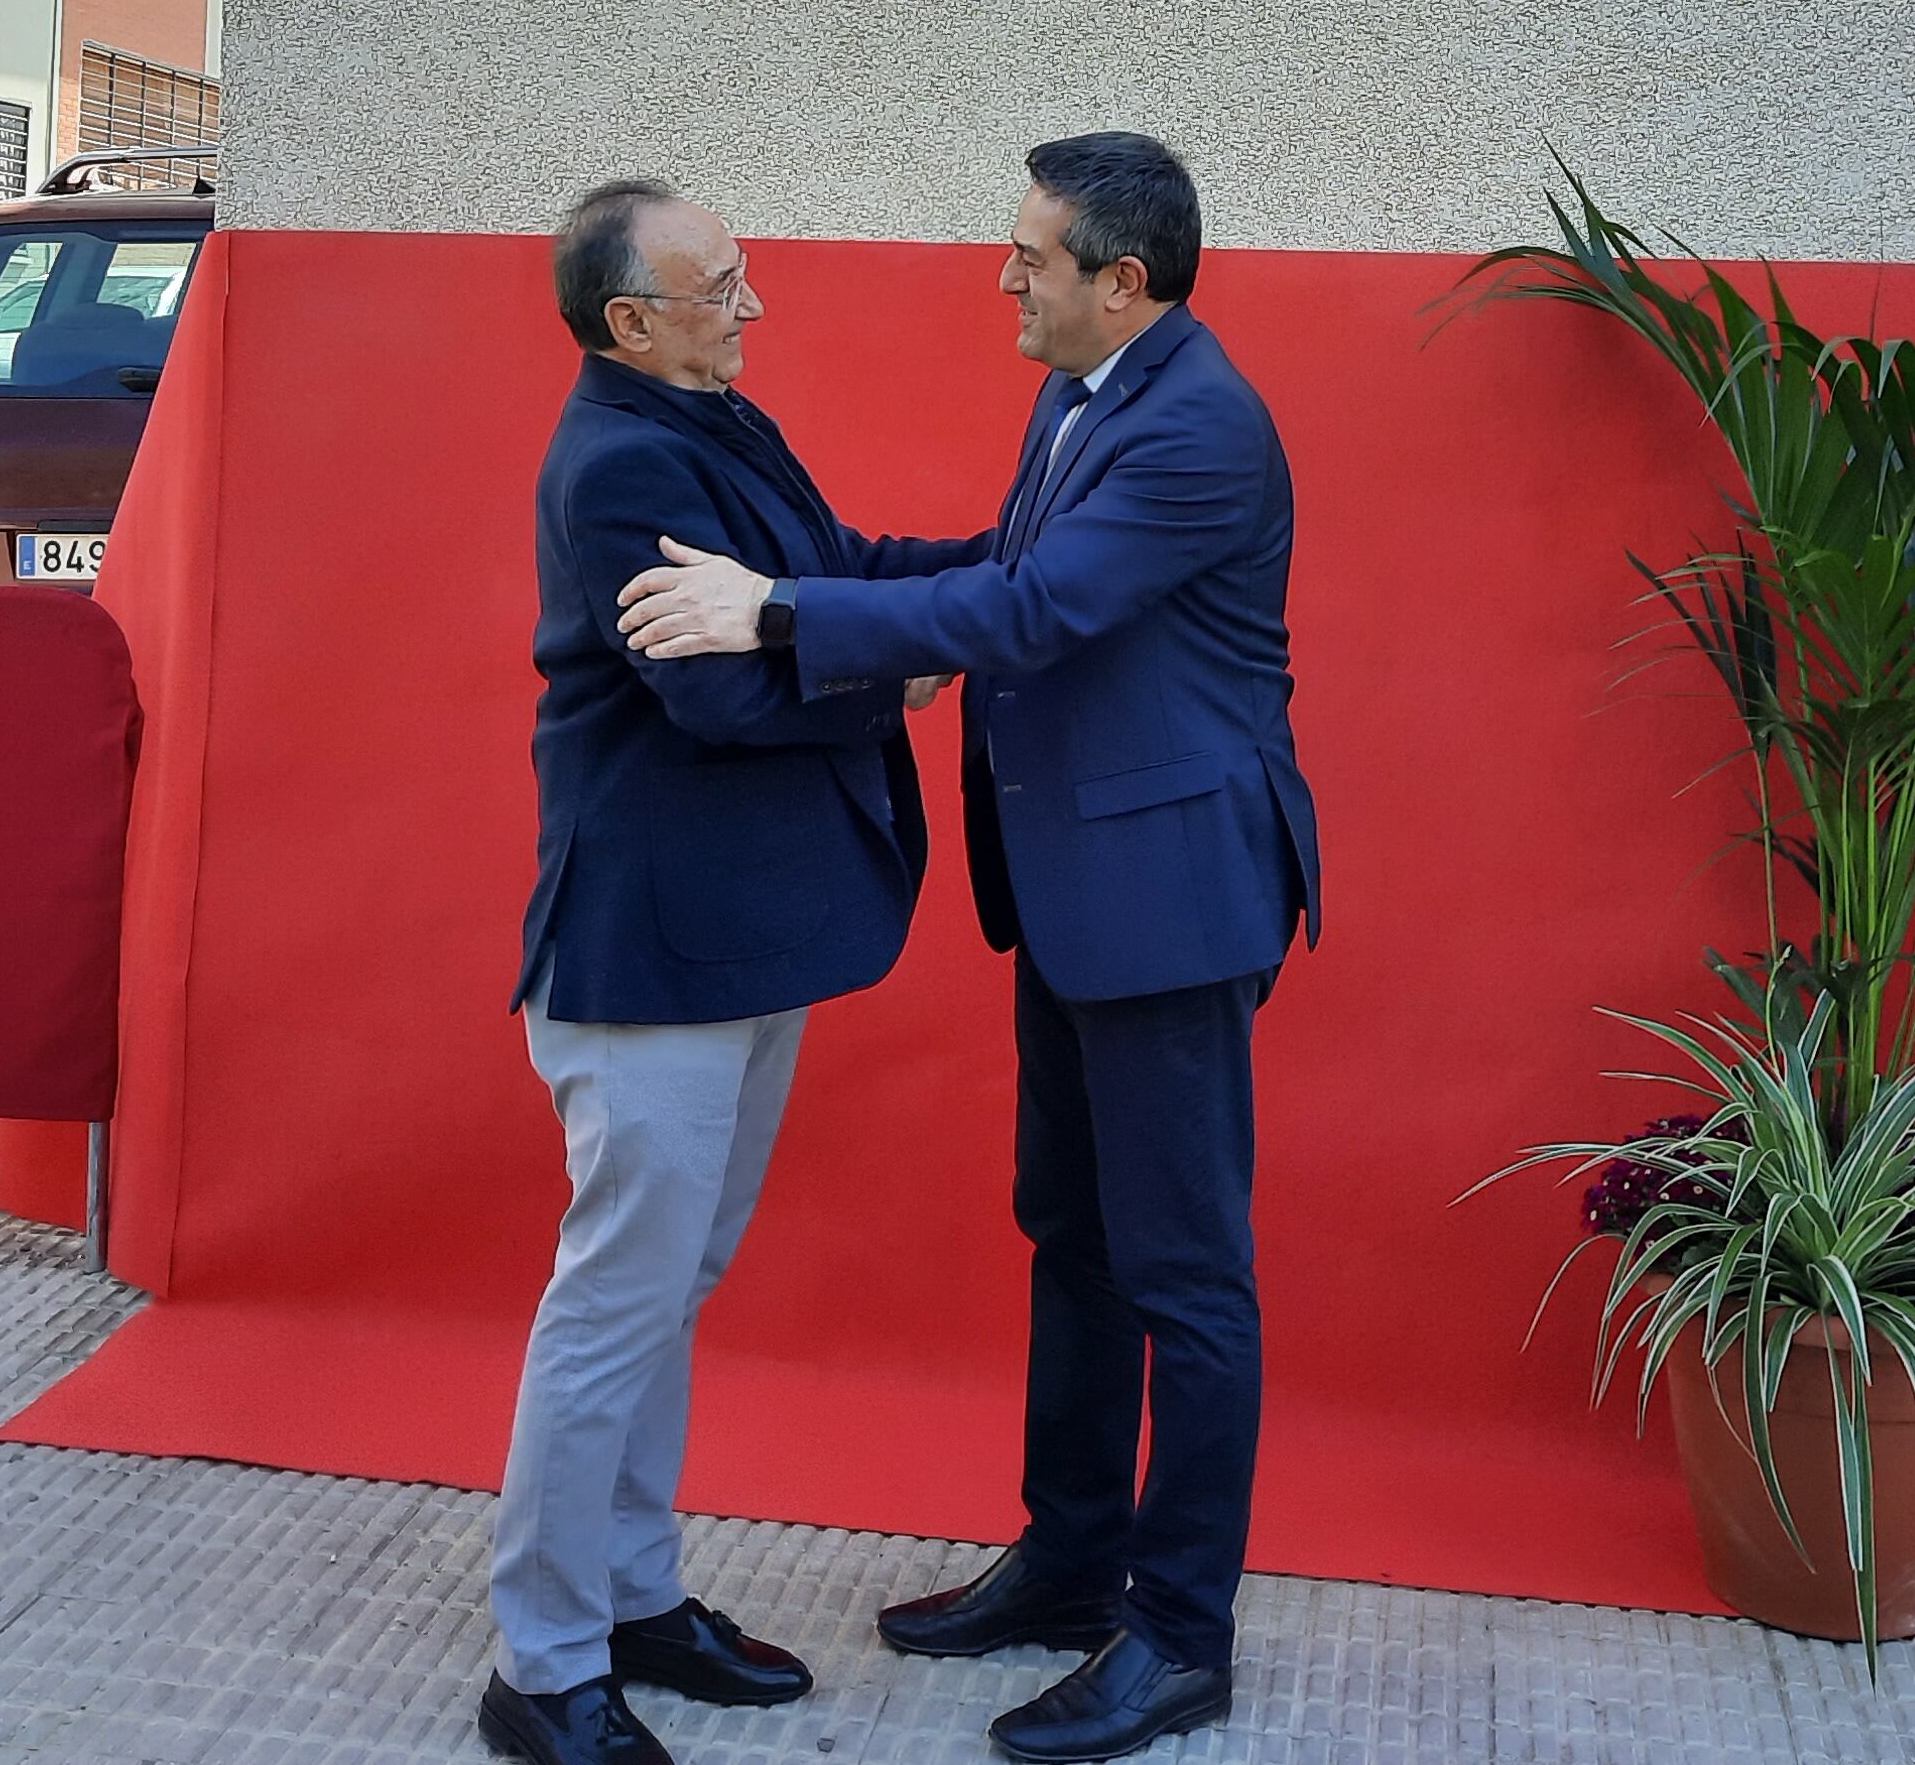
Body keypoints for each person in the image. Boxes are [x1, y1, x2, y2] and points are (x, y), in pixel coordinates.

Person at [620, 134, 1318, 1765]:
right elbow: (1008, 577)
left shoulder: (1201, 426)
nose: (1003, 277)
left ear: (1119, 283)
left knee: (1187, 1276)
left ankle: (1179, 1635)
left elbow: (1034, 613)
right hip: (1079, 895)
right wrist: (840, 600)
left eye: (1030, 256)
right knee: (1071, 1232)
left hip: (1171, 904)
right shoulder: (1083, 395)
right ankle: (1074, 1566)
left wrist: (775, 616)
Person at [483, 181, 980, 1765]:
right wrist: (898, 672)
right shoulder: (626, 458)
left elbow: (822, 570)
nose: (749, 309)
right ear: (632, 319)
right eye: (722, 287)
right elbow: (714, 699)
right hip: (650, 955)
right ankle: (543, 1665)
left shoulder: (715, 423)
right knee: (614, 1307)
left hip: (736, 940)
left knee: (667, 1294)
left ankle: (635, 1598)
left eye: (746, 278)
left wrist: (1002, 571)